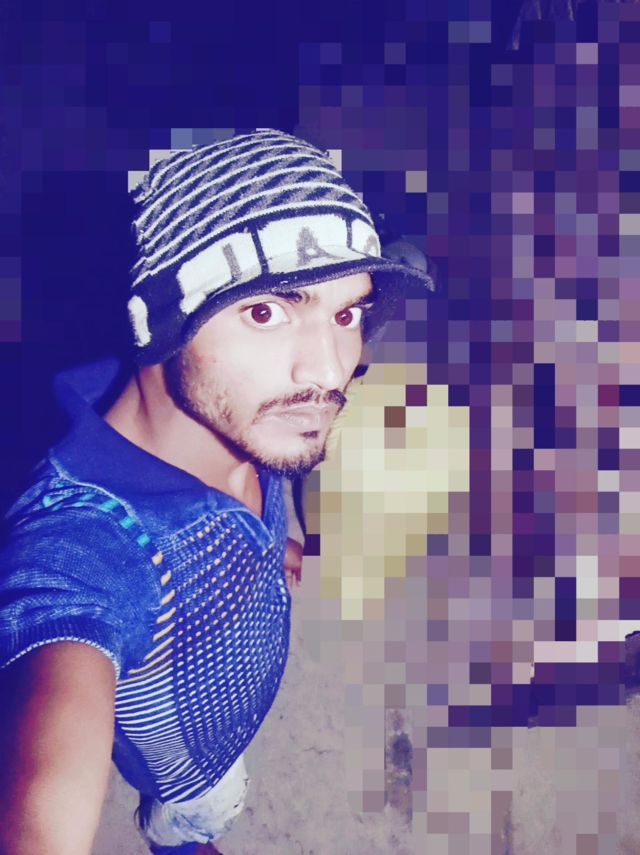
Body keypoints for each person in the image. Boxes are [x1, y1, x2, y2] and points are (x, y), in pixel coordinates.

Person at [0, 129, 434, 855]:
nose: (330, 370)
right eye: (265, 312)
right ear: (158, 320)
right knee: (202, 807)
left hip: (235, 679)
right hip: (190, 762)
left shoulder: (252, 418)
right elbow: (45, 780)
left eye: (346, 313)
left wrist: (271, 538)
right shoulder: (88, 548)